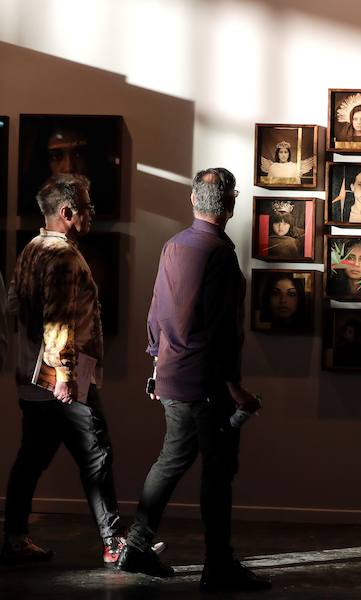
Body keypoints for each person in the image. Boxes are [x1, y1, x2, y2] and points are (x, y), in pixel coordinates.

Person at [117, 168, 269, 592]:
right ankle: (217, 566)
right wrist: (232, 385)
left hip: (172, 377)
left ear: (193, 201)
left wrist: (156, 363)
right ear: (232, 203)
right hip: (206, 384)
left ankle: (136, 545)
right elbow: (221, 330)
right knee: (217, 472)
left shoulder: (173, 246)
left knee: (171, 460)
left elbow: (156, 312)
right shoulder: (219, 254)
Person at [1, 174, 125, 566]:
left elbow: (13, 307)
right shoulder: (65, 256)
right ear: (67, 212)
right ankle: (113, 543)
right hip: (63, 381)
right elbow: (59, 321)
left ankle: (15, 538)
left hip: (30, 378)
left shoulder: (31, 249)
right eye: (87, 208)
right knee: (96, 455)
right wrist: (66, 375)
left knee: (32, 457)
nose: (91, 214)